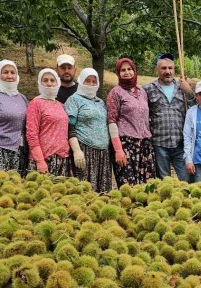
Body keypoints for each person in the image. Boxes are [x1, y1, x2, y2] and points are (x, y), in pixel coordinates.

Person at [143, 53, 194, 182]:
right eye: (164, 68)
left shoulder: (182, 87)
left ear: (174, 70)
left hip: (180, 142)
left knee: (186, 180)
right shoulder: (148, 89)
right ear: (157, 70)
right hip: (159, 143)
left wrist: (189, 91)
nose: (167, 71)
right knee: (164, 182)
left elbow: (195, 107)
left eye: (170, 68)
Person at [107, 58, 155, 187]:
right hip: (126, 145)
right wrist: (118, 149)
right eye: (123, 70)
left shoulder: (142, 92)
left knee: (147, 187)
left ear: (134, 71)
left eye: (129, 69)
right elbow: (112, 121)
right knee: (128, 186)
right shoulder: (115, 93)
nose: (127, 72)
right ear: (118, 73)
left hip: (145, 144)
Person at [65, 68, 112, 192]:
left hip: (103, 153)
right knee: (86, 191)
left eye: (93, 81)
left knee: (103, 192)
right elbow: (69, 126)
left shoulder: (100, 102)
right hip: (85, 150)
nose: (91, 84)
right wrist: (76, 150)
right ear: (80, 81)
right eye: (87, 81)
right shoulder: (73, 100)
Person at [25, 68, 71, 176]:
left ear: (57, 83)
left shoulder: (61, 105)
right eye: (45, 80)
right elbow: (31, 134)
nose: (49, 84)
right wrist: (40, 161)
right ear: (40, 83)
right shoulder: (35, 103)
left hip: (62, 158)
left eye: (52, 80)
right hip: (43, 159)